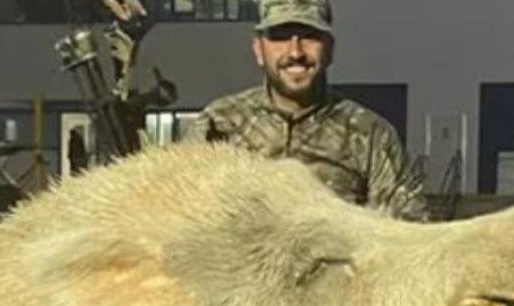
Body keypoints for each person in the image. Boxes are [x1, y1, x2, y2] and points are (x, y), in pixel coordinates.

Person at [183, 0, 429, 222]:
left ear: (330, 49)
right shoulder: (217, 126)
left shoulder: (371, 136)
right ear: (258, 50)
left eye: (309, 36)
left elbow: (407, 237)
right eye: (280, 36)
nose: (296, 52)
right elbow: (178, 225)